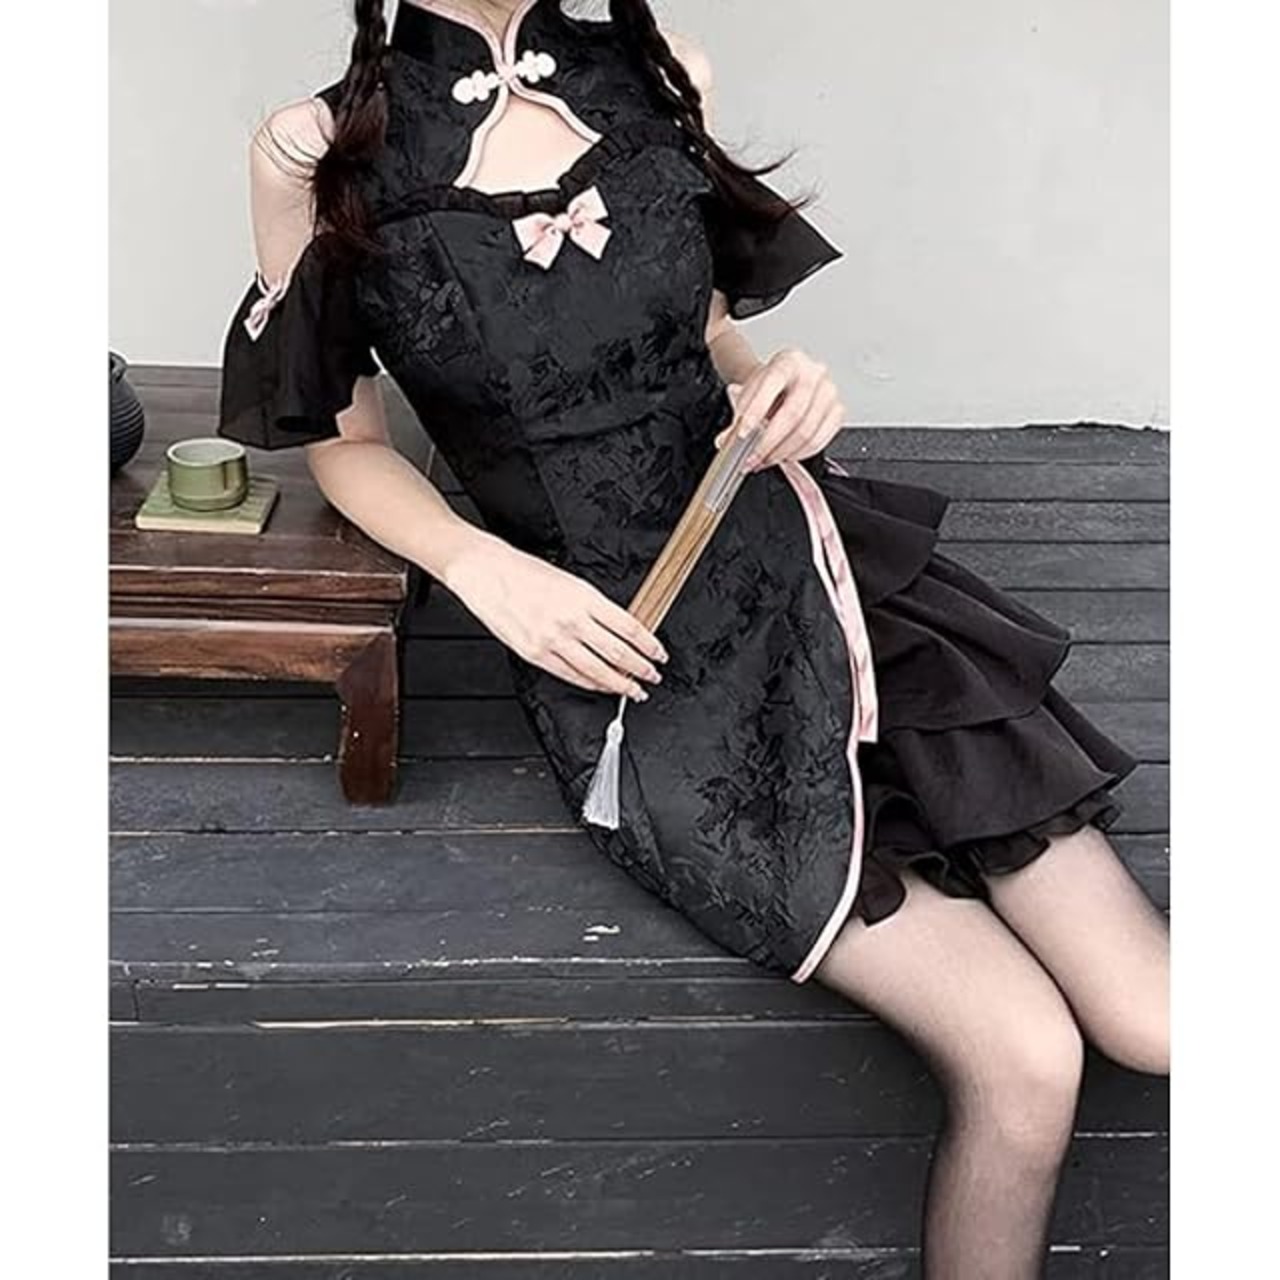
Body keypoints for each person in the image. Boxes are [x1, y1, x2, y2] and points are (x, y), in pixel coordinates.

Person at [216, 2, 1170, 1274]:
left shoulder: (665, 77)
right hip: (634, 657)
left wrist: (780, 382)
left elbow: (709, 334)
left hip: (821, 566)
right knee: (1026, 1053)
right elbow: (341, 446)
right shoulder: (314, 151)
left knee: (1156, 1018)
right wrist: (485, 570)